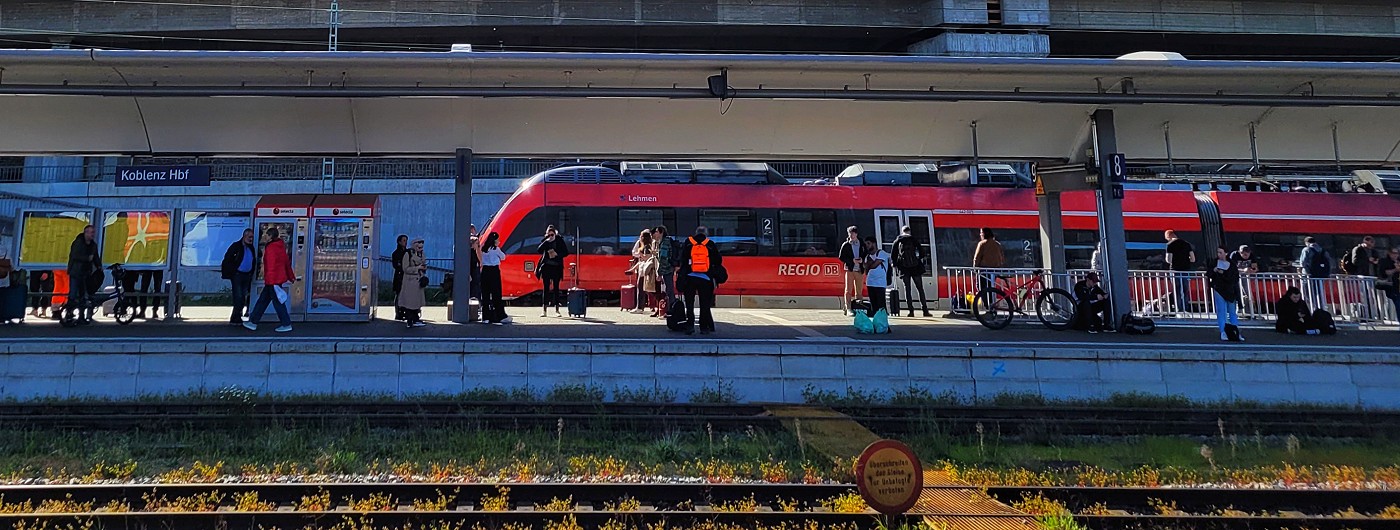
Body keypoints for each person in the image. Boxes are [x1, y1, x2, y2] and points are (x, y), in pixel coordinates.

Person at [243, 227, 297, 333]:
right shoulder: (281, 246)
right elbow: (286, 263)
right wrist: (291, 276)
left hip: (272, 280)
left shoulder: (271, 248)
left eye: (266, 235)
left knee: (276, 303)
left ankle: (286, 323)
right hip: (276, 279)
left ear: (271, 236)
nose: (265, 237)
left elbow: (271, 266)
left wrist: (269, 280)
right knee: (263, 301)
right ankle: (253, 322)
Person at [679, 226, 721, 335]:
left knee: (689, 303)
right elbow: (718, 260)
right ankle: (704, 327)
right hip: (705, 278)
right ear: (706, 234)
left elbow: (682, 259)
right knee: (704, 303)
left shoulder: (688, 242)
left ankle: (690, 326)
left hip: (689, 277)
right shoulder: (710, 244)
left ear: (696, 233)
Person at [220, 228, 258, 325]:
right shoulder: (236, 246)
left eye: (252, 237)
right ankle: (236, 317)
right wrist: (232, 271)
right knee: (238, 296)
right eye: (249, 237)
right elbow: (227, 259)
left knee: (243, 296)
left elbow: (253, 260)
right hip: (237, 274)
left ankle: (236, 316)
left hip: (247, 275)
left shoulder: (251, 248)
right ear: (244, 236)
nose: (251, 239)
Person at [891, 225, 931, 317]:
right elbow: (922, 252)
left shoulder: (898, 240)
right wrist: (917, 259)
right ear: (909, 231)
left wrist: (896, 264)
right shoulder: (913, 239)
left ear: (902, 231)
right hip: (915, 267)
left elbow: (893, 255)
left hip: (904, 268)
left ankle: (911, 311)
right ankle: (925, 310)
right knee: (920, 288)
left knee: (907, 289)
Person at [64, 225, 100, 322]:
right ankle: (69, 313)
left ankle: (81, 316)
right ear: (85, 233)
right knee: (73, 294)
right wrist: (87, 258)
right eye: (91, 232)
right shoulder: (78, 242)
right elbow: (75, 255)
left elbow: (95, 257)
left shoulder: (93, 245)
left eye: (93, 232)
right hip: (76, 272)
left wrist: (99, 266)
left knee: (83, 295)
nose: (92, 234)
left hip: (85, 273)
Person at [1207, 246, 1243, 342]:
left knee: (1232, 312)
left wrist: (1223, 273)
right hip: (1219, 288)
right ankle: (1223, 331)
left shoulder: (1232, 264)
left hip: (1230, 290)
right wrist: (1214, 271)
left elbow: (1235, 278)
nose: (1218, 254)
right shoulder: (1214, 262)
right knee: (1221, 311)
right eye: (1218, 252)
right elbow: (1208, 273)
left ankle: (1235, 332)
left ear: (1226, 253)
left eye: (1221, 252)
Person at [536, 224, 570, 317]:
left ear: (555, 234)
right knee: (546, 288)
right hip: (546, 267)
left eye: (552, 235)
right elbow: (539, 250)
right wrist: (546, 242)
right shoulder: (546, 241)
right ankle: (544, 310)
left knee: (556, 288)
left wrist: (557, 254)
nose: (551, 236)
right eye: (549, 235)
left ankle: (557, 310)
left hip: (556, 267)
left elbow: (566, 252)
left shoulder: (559, 240)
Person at [479, 231, 509, 325]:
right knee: (496, 294)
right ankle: (500, 315)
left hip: (485, 271)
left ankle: (485, 317)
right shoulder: (496, 249)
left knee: (485, 295)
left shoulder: (483, 249)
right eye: (498, 240)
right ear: (494, 241)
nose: (499, 241)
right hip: (494, 271)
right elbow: (503, 257)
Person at [1164, 230, 1196, 314]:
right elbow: (1193, 259)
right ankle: (1186, 307)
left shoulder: (1170, 245)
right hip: (1185, 270)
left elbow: (1168, 260)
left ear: (1168, 236)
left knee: (1177, 290)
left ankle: (1179, 309)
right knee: (1185, 290)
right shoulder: (1187, 244)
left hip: (1174, 270)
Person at [399, 238, 428, 328]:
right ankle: (410, 320)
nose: (420, 247)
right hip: (409, 282)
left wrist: (423, 268)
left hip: (418, 281)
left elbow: (423, 264)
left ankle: (416, 318)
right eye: (419, 245)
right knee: (410, 302)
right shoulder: (408, 254)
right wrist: (417, 268)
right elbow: (405, 268)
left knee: (417, 302)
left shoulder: (422, 254)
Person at [836, 226, 863, 315]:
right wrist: (851, 260)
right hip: (850, 269)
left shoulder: (861, 243)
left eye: (853, 233)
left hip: (859, 269)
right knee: (848, 290)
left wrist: (862, 260)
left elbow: (866, 253)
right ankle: (848, 308)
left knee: (859, 290)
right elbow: (841, 257)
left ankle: (859, 307)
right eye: (850, 233)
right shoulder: (846, 244)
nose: (851, 235)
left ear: (856, 234)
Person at [1299, 236, 1333, 306]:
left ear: (1306, 243)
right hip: (1320, 275)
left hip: (1308, 275)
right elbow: (1330, 262)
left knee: (1306, 292)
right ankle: (1319, 306)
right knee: (1319, 292)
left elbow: (1302, 263)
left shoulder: (1306, 249)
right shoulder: (1323, 250)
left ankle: (1309, 307)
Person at [861, 237, 890, 318]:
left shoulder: (881, 253)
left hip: (880, 283)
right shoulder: (867, 256)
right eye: (866, 244)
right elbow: (865, 268)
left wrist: (870, 263)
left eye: (868, 243)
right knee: (873, 304)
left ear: (874, 243)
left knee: (881, 304)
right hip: (870, 282)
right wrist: (868, 263)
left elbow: (874, 265)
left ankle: (883, 319)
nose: (867, 246)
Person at [653, 226, 678, 313]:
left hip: (667, 269)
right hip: (668, 268)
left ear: (661, 232)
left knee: (669, 289)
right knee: (668, 288)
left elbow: (663, 259)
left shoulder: (665, 242)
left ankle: (672, 308)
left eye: (656, 232)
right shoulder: (664, 241)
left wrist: (659, 273)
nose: (655, 233)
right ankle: (670, 307)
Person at [1229, 244, 1259, 317]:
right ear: (1240, 252)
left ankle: (1250, 311)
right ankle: (1237, 311)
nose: (1246, 256)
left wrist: (1253, 270)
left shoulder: (1252, 255)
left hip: (1245, 277)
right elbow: (1230, 268)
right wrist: (1243, 270)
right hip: (1234, 277)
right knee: (1237, 293)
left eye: (1248, 253)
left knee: (1247, 293)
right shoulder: (1234, 255)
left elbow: (1255, 267)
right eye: (1244, 254)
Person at [628, 229, 654, 314]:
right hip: (644, 269)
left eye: (641, 236)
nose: (639, 238)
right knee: (645, 288)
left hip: (645, 270)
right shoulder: (647, 245)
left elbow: (646, 258)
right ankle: (641, 307)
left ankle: (640, 307)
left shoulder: (647, 247)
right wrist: (632, 269)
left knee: (642, 288)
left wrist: (640, 254)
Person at [1378, 247, 1399, 328]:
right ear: (1389, 253)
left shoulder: (1398, 260)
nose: (1396, 255)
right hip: (1391, 286)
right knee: (1398, 304)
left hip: (1397, 285)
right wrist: (1395, 269)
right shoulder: (1384, 261)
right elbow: (1384, 272)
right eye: (1394, 253)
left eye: (1397, 253)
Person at [391, 234, 409, 321]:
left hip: (406, 276)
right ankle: (398, 313)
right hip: (399, 276)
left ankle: (405, 312)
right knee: (399, 294)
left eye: (406, 240)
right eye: (404, 240)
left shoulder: (408, 252)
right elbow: (396, 265)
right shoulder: (395, 253)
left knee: (406, 294)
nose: (405, 242)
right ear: (399, 242)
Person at [469, 224, 482, 301]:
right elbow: (478, 252)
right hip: (474, 264)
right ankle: (476, 300)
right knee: (476, 283)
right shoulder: (475, 239)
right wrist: (481, 262)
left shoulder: (463, 240)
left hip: (467, 264)